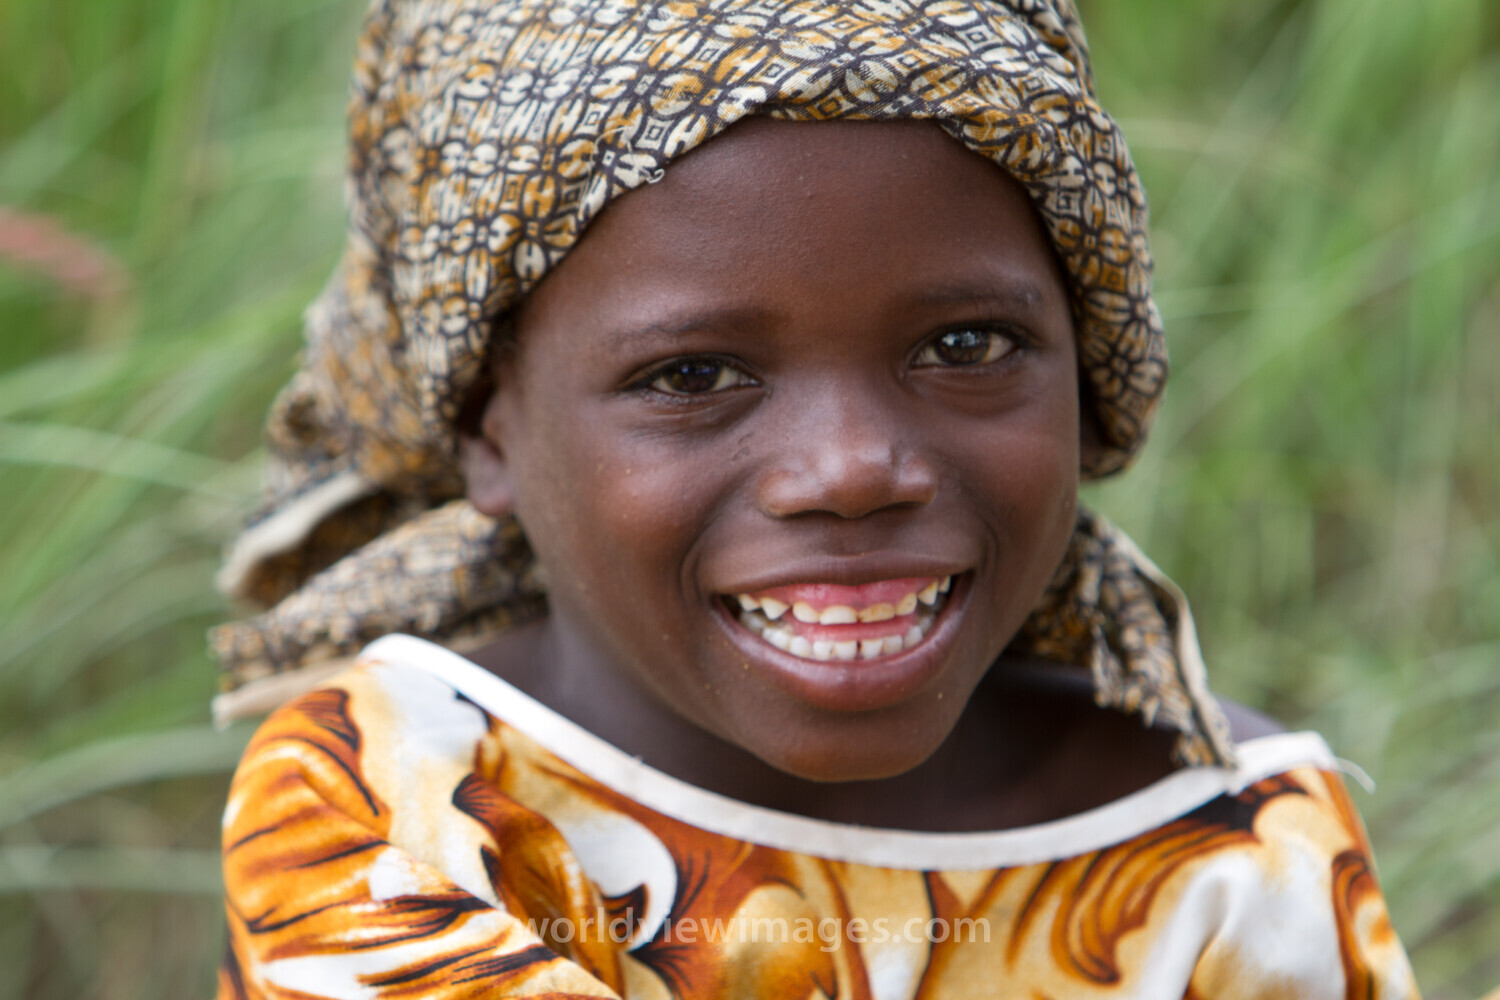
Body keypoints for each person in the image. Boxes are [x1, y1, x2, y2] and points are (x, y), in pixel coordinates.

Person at [209, 0, 1422, 996]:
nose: (850, 467)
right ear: (489, 428)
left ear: (1090, 370)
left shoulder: (1233, 842)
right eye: (692, 375)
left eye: (965, 346)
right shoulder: (395, 799)